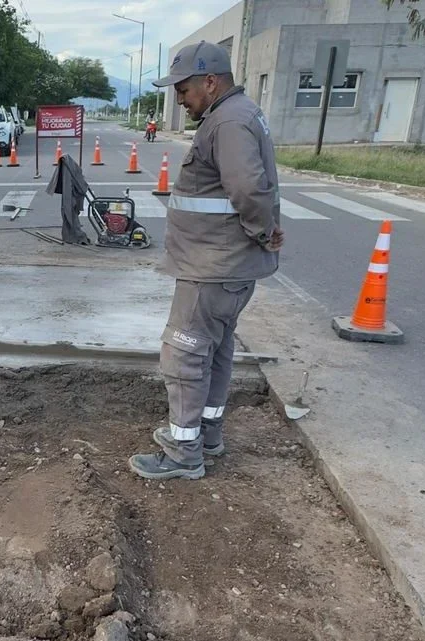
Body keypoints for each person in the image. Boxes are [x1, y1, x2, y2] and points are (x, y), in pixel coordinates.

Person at [128, 41, 284, 481]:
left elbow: (248, 189)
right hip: (225, 265)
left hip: (213, 266)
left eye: (183, 89)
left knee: (184, 354)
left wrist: (263, 230)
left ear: (210, 81)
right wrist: (265, 231)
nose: (179, 99)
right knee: (215, 351)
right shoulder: (237, 114)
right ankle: (207, 434)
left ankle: (183, 452)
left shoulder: (228, 122)